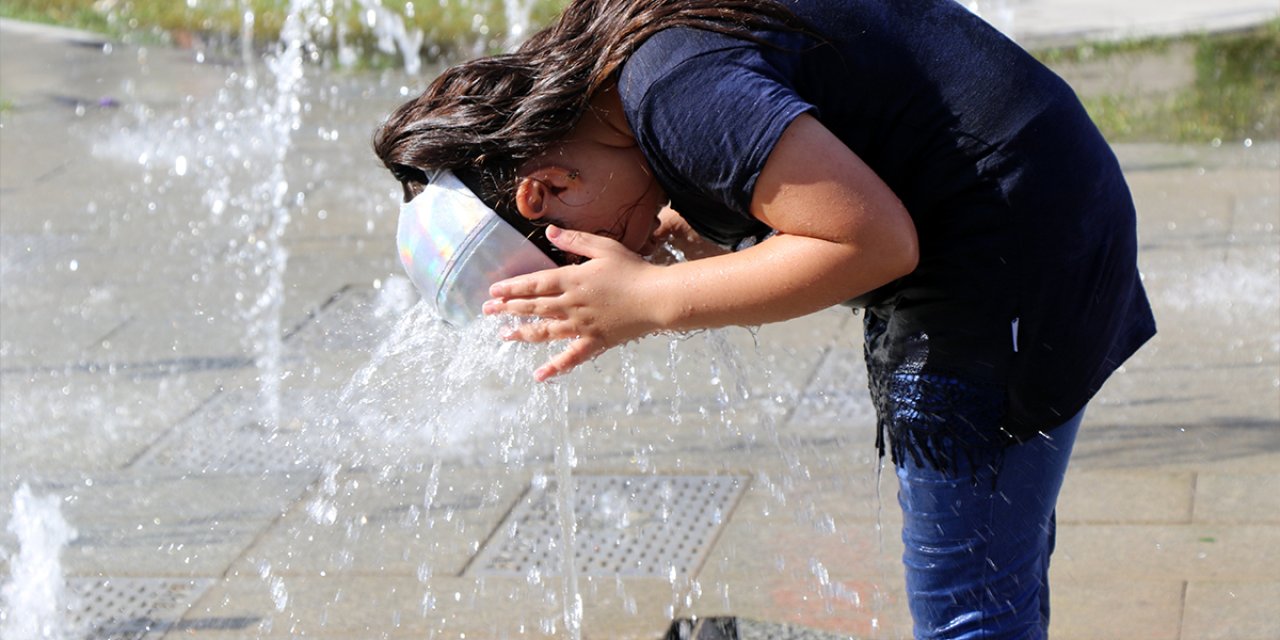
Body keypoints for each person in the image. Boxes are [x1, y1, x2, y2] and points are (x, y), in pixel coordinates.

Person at [373, 0, 1156, 636]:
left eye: (587, 260)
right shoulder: (629, 55)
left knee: (968, 612)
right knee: (993, 563)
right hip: (1034, 192)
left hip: (1009, 244)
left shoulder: (674, 94)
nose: (628, 257)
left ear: (543, 190)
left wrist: (649, 301)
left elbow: (874, 241)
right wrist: (716, 222)